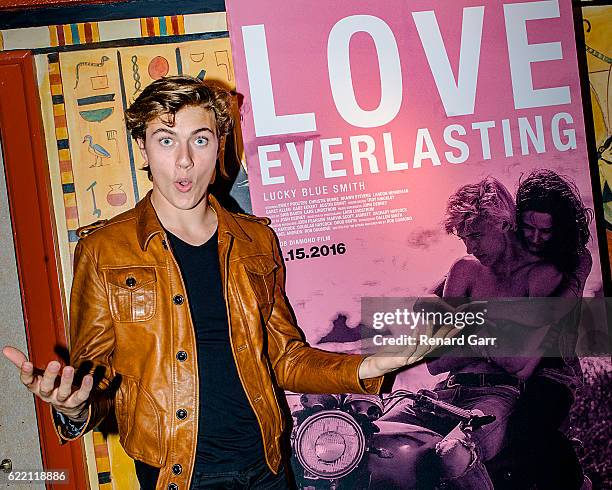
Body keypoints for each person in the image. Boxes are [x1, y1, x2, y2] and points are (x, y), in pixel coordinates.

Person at [2, 76, 449, 490]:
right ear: (142, 148)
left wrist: (365, 368)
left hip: (267, 463)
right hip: (179, 470)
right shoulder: (105, 250)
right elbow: (94, 378)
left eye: (200, 140)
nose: (183, 160)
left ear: (219, 146)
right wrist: (74, 407)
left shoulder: (256, 239)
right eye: (165, 141)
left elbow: (284, 358)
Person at [425, 177, 563, 489]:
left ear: (503, 223)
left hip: (496, 397)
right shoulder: (464, 269)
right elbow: (433, 360)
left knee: (452, 452)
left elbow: (516, 363)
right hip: (443, 393)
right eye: (463, 239)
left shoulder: (540, 276)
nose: (470, 246)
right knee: (373, 440)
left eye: (475, 235)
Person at [512, 169, 594, 489]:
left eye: (544, 232)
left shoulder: (577, 260)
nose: (534, 238)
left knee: (529, 426)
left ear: (559, 230)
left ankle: (578, 484)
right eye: (528, 227)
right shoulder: (513, 255)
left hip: (554, 371)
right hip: (512, 369)